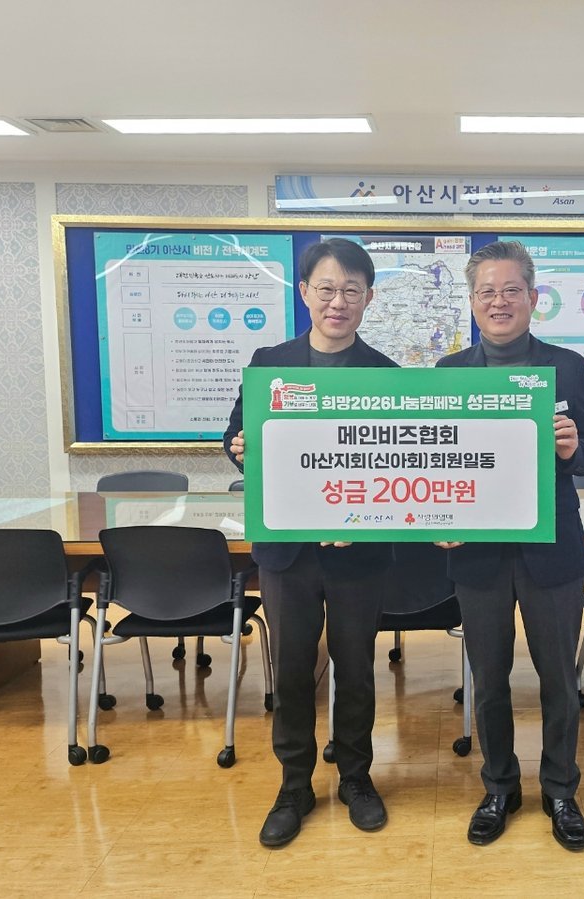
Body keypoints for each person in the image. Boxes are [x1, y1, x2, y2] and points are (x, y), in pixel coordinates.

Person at [435, 240, 584, 851]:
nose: (499, 301)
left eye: (511, 290)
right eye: (487, 291)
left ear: (533, 298)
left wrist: (574, 449)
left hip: (549, 548)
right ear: (472, 301)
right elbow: (435, 458)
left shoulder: (566, 367)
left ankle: (560, 788)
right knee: (489, 678)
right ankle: (500, 787)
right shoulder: (449, 374)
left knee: (559, 678)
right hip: (477, 551)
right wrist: (436, 515)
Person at [224, 238, 396, 848]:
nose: (337, 301)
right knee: (293, 668)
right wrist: (239, 447)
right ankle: (294, 784)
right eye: (326, 289)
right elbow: (235, 435)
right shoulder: (270, 363)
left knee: (356, 668)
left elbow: (394, 459)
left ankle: (356, 777)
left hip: (358, 552)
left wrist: (364, 519)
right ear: (304, 293)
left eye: (351, 290)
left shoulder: (387, 377)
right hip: (288, 551)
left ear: (368, 298)